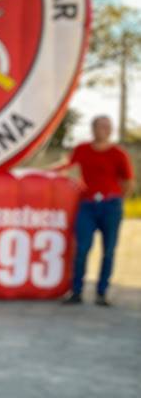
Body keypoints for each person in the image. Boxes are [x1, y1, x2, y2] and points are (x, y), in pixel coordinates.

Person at [59, 116, 135, 306]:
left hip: (111, 206)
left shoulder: (118, 154)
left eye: (108, 127)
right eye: (101, 126)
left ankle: (102, 292)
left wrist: (115, 199)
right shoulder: (82, 149)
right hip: (87, 205)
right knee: (82, 248)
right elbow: (66, 167)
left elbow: (128, 182)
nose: (105, 130)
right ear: (93, 128)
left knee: (108, 250)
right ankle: (76, 291)